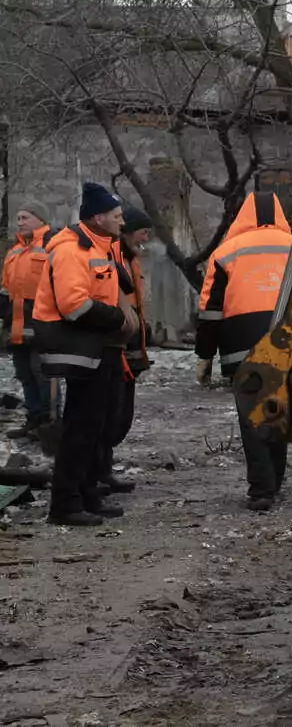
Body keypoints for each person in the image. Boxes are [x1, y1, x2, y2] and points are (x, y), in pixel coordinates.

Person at [196, 191, 292, 511]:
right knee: (279, 411)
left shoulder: (225, 253)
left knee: (252, 418)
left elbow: (210, 312)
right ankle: (275, 480)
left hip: (243, 351)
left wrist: (204, 355)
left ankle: (262, 490)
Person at [32, 182, 135, 526]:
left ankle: (87, 495)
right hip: (78, 348)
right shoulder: (70, 250)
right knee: (80, 426)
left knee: (95, 426)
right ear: (98, 217)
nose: (122, 222)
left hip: (98, 347)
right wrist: (118, 319)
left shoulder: (99, 247)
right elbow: (73, 305)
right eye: (117, 216)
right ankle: (65, 504)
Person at [97, 206, 154, 495]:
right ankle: (97, 472)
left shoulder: (130, 259)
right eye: (143, 232)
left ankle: (102, 470)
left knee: (119, 418)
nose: (146, 238)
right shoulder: (113, 257)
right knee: (109, 416)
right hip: (115, 349)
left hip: (129, 351)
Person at [3, 203, 54, 440]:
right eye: (18, 218)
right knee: (24, 373)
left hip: (42, 323)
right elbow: (5, 289)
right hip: (16, 324)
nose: (20, 222)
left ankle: (49, 423)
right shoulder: (14, 252)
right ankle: (33, 420)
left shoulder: (52, 246)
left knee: (43, 374)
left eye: (25, 217)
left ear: (40, 219)